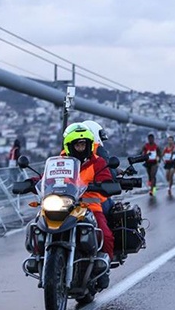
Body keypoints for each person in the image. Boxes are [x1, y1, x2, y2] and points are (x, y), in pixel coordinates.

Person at [62, 124, 115, 289]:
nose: (80, 148)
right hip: (66, 205)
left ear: (88, 144)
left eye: (83, 144)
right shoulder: (62, 161)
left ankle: (104, 268)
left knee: (105, 235)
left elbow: (106, 176)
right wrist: (31, 182)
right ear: (70, 146)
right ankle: (40, 255)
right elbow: (47, 176)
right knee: (39, 222)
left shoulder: (97, 162)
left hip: (90, 206)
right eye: (77, 144)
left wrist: (106, 184)